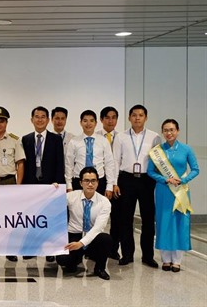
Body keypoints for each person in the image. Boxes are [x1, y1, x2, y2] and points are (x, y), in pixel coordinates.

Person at [111, 104, 162, 267]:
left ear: (146, 118)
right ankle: (127, 255)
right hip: (126, 180)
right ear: (129, 118)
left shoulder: (154, 137)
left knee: (148, 218)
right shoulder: (121, 137)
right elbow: (115, 161)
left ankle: (148, 256)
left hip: (147, 180)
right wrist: (114, 183)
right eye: (134, 115)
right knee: (126, 218)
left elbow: (159, 161)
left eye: (141, 115)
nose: (137, 118)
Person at [147, 119, 200, 273]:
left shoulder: (186, 149)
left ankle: (177, 260)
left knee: (179, 222)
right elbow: (150, 172)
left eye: (171, 130)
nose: (168, 133)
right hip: (164, 190)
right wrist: (165, 179)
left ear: (178, 131)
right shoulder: (157, 151)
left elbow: (195, 169)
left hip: (181, 191)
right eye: (165, 130)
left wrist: (183, 180)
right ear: (162, 132)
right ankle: (165, 259)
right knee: (164, 222)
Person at [20, 106, 65, 262]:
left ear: (48, 120)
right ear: (32, 119)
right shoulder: (26, 139)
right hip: (31, 185)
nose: (39, 119)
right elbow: (23, 165)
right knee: (31, 218)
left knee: (49, 219)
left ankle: (50, 250)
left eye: (43, 117)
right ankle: (31, 248)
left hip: (50, 185)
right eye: (36, 116)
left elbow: (60, 163)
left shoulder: (56, 139)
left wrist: (58, 183)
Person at [56, 167, 112, 280]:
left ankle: (100, 268)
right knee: (63, 260)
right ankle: (75, 261)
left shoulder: (104, 202)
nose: (90, 184)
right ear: (81, 183)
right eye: (86, 181)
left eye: (93, 181)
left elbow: (98, 228)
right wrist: (53, 189)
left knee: (106, 239)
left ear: (97, 183)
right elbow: (52, 201)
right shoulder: (72, 196)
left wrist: (81, 244)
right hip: (74, 234)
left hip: (92, 237)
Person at [65, 110, 117, 198]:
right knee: (77, 209)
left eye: (91, 121)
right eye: (85, 121)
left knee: (98, 209)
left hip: (99, 181)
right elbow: (69, 165)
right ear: (80, 123)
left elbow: (109, 164)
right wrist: (69, 186)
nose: (88, 124)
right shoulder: (74, 142)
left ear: (96, 123)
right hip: (79, 181)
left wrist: (109, 186)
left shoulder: (103, 141)